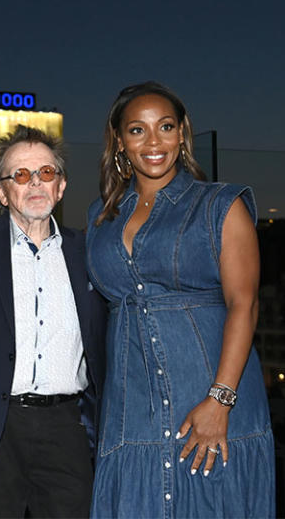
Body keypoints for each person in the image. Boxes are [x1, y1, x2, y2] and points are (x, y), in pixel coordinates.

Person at [86, 81, 274, 517]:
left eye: (165, 127)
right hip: (131, 409)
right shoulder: (100, 217)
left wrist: (220, 399)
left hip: (211, 396)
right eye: (137, 130)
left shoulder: (221, 206)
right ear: (119, 139)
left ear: (182, 133)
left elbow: (244, 305)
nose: (154, 142)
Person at [0, 126, 107, 518]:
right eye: (20, 175)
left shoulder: (90, 254)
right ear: (0, 190)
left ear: (61, 186)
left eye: (46, 173)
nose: (35, 184)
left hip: (69, 428)